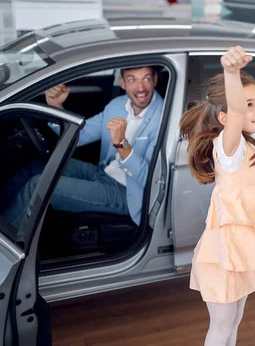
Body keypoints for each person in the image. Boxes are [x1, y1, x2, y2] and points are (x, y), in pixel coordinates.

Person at [179, 46, 255, 346]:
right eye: (246, 105)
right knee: (222, 325)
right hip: (224, 256)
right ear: (226, 117)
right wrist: (230, 72)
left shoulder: (253, 135)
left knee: (235, 319)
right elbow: (242, 113)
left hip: (243, 250)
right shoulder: (230, 149)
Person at [0, 66, 164, 228]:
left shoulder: (164, 118)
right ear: (122, 83)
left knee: (37, 187)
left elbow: (150, 180)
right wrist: (56, 107)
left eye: (146, 78)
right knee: (34, 167)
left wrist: (122, 145)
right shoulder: (117, 106)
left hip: (127, 193)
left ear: (155, 80)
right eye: (132, 79)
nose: (141, 87)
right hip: (103, 172)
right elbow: (80, 136)